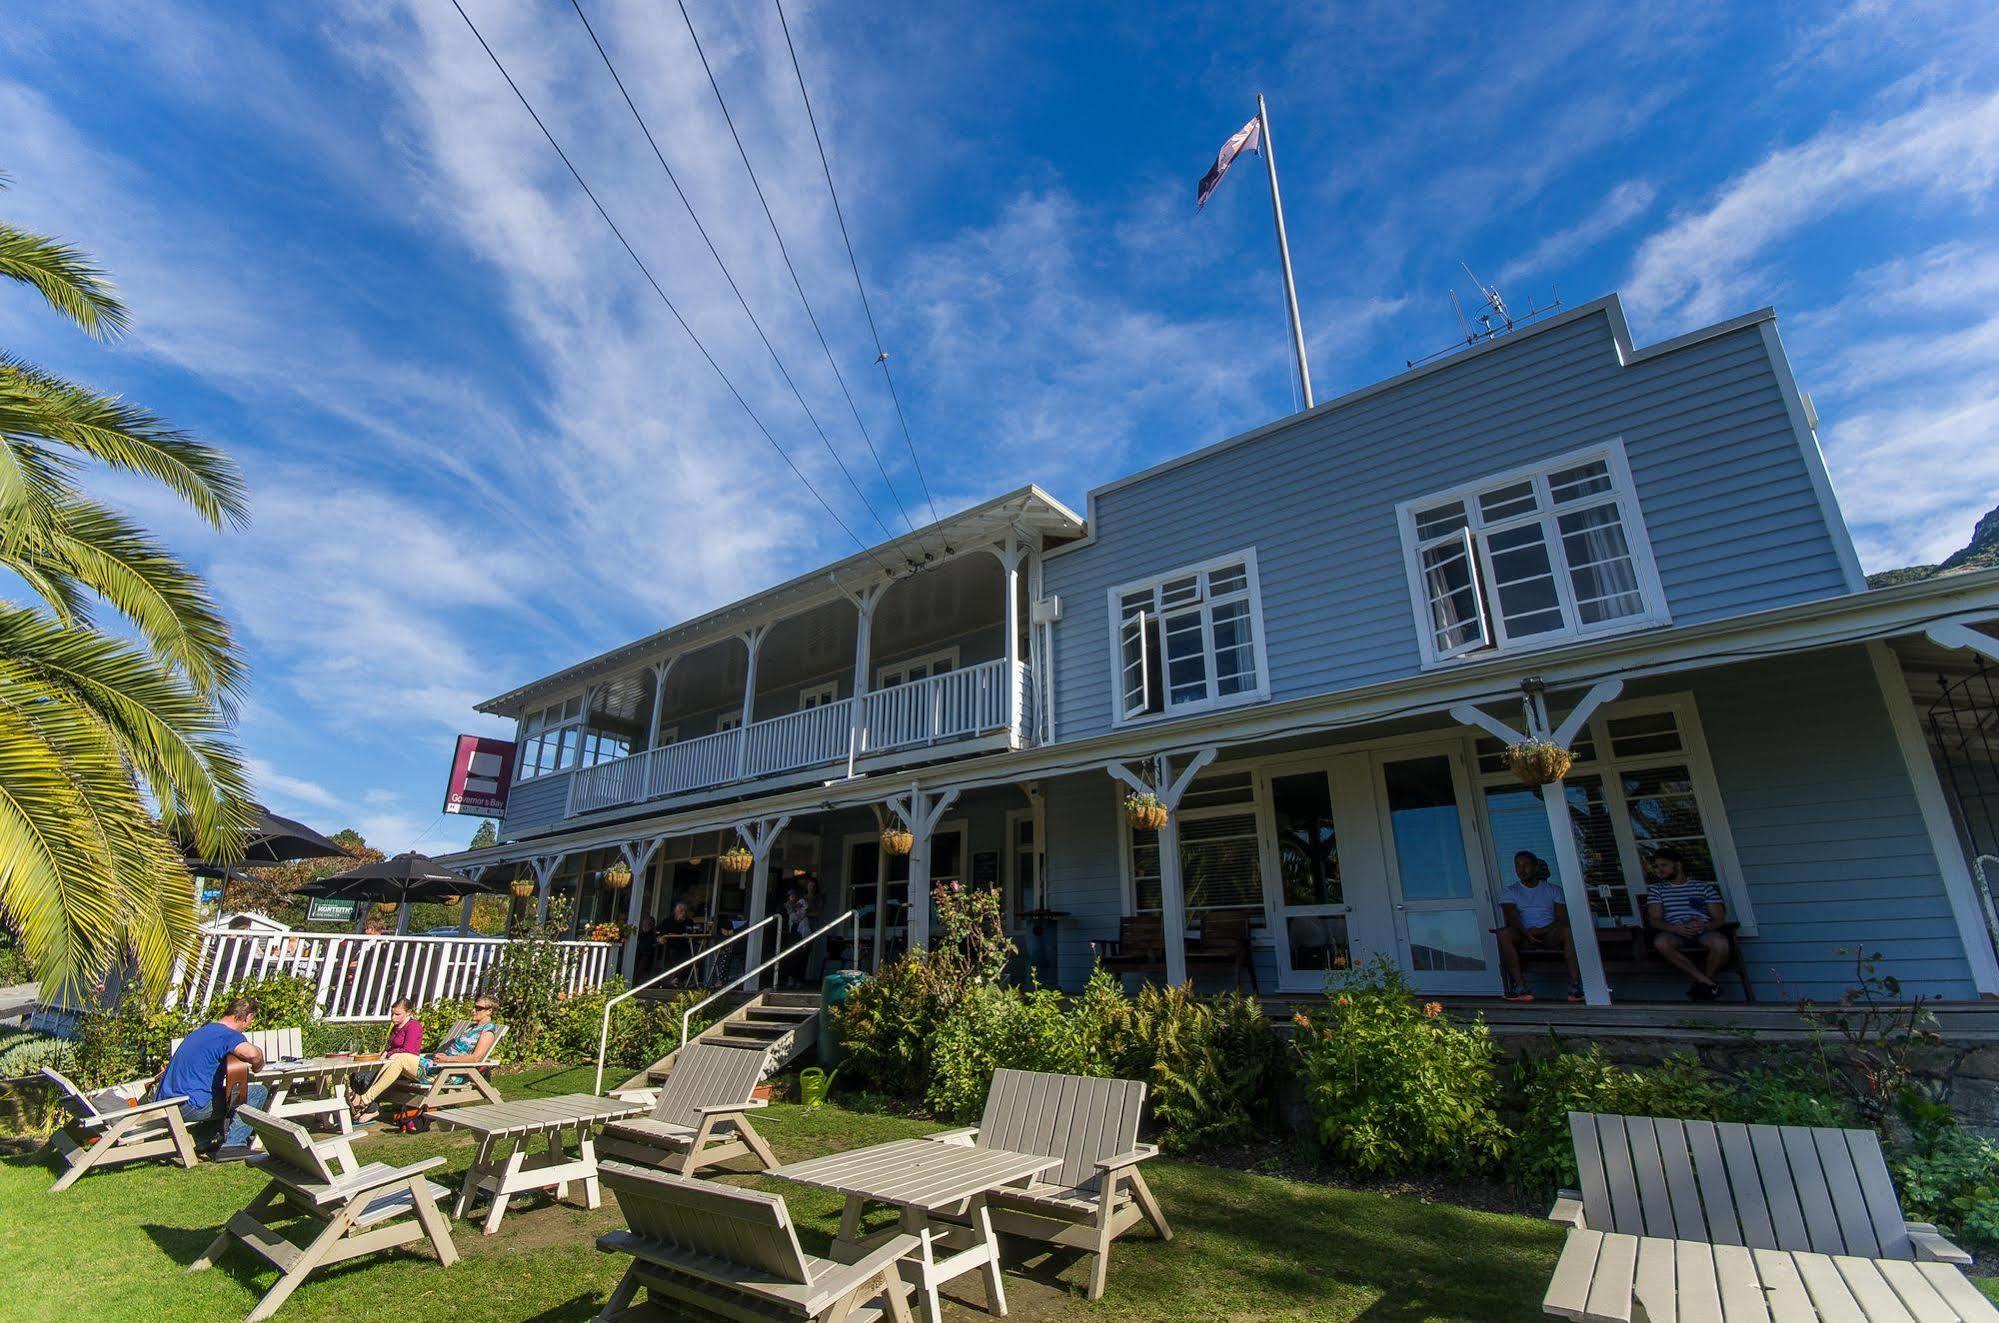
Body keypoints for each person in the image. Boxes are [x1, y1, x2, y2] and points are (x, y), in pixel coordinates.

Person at [350, 995, 501, 1124]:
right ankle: (365, 1101)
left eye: (479, 1008)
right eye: (474, 1006)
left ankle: (364, 1100)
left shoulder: (488, 1031)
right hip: (436, 1065)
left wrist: (447, 1060)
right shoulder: (471, 1028)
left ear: (490, 1011)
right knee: (396, 1057)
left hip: (449, 1072)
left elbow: (476, 1058)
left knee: (399, 1059)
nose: (474, 1010)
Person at [156, 997, 267, 1161]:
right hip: (189, 1105)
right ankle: (233, 1145)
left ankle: (200, 1140)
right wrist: (259, 1062)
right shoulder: (228, 1035)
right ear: (247, 1017)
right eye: (251, 1020)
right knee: (256, 1092)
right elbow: (252, 1054)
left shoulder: (203, 1031)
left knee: (226, 1094)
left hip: (168, 1101)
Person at [1644, 846, 1734, 1001]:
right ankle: (1707, 983)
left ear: (1677, 865)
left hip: (1703, 931)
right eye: (1657, 867)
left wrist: (1704, 926)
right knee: (1661, 943)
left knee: (1721, 945)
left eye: (1663, 865)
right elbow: (1655, 920)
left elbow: (1719, 918)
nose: (1659, 870)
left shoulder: (1703, 887)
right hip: (1674, 931)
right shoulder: (1657, 890)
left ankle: (1704, 983)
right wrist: (1676, 928)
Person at [1495, 851, 1583, 1003]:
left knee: (1568, 931)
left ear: (1535, 868)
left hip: (1549, 934)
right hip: (1523, 935)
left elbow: (1561, 918)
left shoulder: (1553, 890)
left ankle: (1575, 987)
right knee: (1503, 934)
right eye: (1517, 866)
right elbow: (1512, 916)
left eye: (1526, 865)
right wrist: (1527, 932)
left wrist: (1542, 930)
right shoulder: (1510, 891)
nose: (1521, 870)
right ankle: (1521, 987)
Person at [353, 997, 423, 1094]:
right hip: (390, 1063)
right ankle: (366, 1107)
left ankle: (368, 1106)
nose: (393, 1017)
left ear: (408, 1012)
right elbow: (393, 1047)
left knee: (365, 1078)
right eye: (392, 1014)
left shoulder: (413, 1026)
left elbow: (408, 1050)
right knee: (356, 1075)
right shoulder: (396, 1027)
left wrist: (389, 1052)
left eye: (397, 1014)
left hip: (404, 1068)